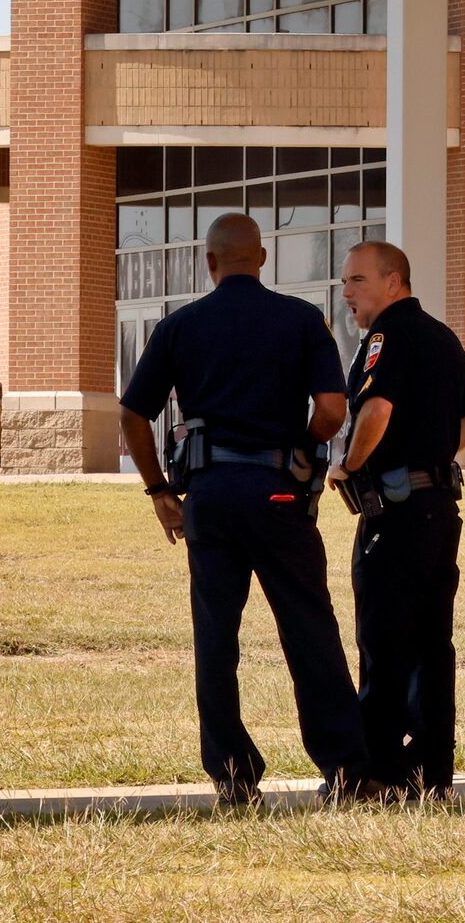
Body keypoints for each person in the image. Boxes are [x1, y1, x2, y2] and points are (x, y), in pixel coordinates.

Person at [119, 211, 369, 805]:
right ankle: (346, 770)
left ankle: (232, 775)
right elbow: (333, 410)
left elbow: (132, 414)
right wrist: (302, 452)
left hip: (207, 497)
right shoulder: (301, 319)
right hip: (279, 492)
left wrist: (160, 492)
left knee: (216, 638)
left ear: (210, 262)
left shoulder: (180, 326)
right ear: (261, 259)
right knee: (309, 628)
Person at [331, 239, 465, 799]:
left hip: (396, 514)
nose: (347, 291)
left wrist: (347, 467)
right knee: (432, 646)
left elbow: (377, 410)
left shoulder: (388, 335)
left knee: (384, 641)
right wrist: (437, 449)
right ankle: (432, 775)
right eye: (345, 281)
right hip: (436, 511)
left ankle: (378, 775)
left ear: (393, 282)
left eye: (358, 279)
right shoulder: (437, 333)